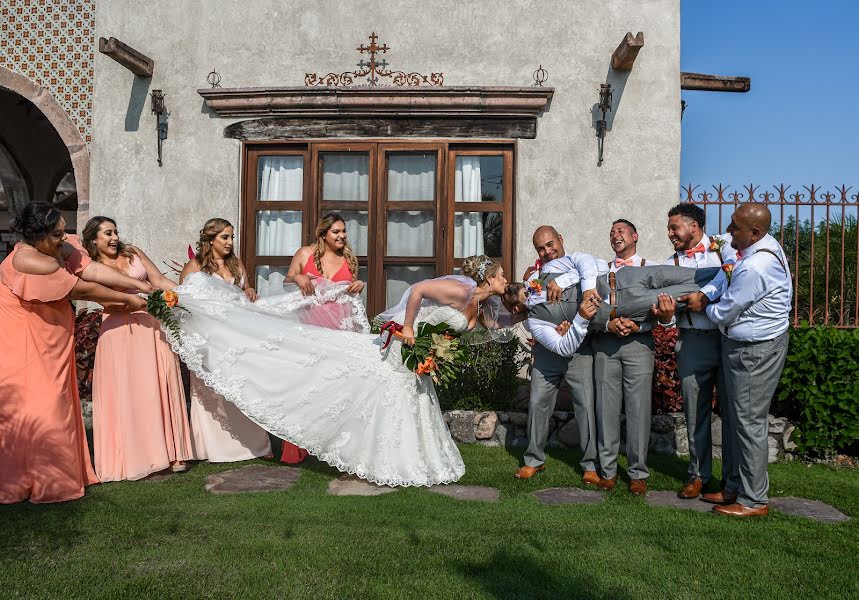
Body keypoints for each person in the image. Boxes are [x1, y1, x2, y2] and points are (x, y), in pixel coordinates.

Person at [167, 254, 511, 487]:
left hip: (420, 357)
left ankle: (410, 457)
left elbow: (495, 324)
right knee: (384, 392)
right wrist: (407, 328)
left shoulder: (479, 302)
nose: (506, 279)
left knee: (410, 400)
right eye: (502, 276)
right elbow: (418, 290)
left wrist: (526, 308)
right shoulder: (461, 289)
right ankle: (377, 456)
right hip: (403, 348)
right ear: (489, 277)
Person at [0, 203, 149, 503]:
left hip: (51, 335)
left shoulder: (56, 246)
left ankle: (60, 474)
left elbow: (92, 269)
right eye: (56, 233)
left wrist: (139, 286)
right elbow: (83, 290)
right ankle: (39, 482)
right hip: (25, 338)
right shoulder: (32, 262)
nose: (64, 237)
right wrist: (130, 301)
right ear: (37, 235)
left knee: (58, 400)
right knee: (42, 405)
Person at [686, 203, 792, 517]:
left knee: (748, 424)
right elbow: (727, 267)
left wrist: (701, 306)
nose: (728, 232)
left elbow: (727, 309)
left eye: (735, 227)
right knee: (735, 420)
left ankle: (753, 499)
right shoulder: (764, 246)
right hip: (751, 346)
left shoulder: (756, 266)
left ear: (755, 232)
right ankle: (734, 486)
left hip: (753, 351)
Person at [83, 216, 194, 481]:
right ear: (93, 240)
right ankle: (136, 456)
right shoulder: (91, 267)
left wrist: (182, 295)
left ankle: (171, 452)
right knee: (128, 391)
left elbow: (157, 280)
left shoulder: (133, 253)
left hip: (151, 328)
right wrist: (137, 303)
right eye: (107, 233)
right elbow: (105, 302)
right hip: (118, 331)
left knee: (157, 384)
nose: (114, 238)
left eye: (116, 232)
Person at [509, 226, 602, 483]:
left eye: (551, 244)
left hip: (579, 350)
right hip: (548, 350)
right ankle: (533, 460)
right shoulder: (533, 279)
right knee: (538, 402)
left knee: (585, 404)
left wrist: (572, 324)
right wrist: (554, 330)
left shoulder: (579, 264)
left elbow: (589, 267)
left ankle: (590, 465)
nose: (548, 251)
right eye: (541, 248)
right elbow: (532, 315)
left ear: (561, 240)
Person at [180, 218, 272, 462]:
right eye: (225, 237)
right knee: (213, 391)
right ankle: (214, 448)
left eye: (232, 237)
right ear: (210, 240)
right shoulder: (195, 267)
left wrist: (249, 290)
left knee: (241, 386)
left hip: (237, 336)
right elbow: (184, 305)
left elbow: (245, 291)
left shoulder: (235, 264)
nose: (230, 242)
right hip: (209, 338)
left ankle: (254, 445)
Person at [278, 213, 366, 464]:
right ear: (323, 234)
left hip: (339, 331)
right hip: (308, 329)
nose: (342, 236)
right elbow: (285, 284)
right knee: (305, 388)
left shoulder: (349, 259)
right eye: (336, 232)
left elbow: (349, 294)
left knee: (335, 389)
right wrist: (297, 277)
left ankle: (331, 446)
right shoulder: (305, 254)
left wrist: (359, 284)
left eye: (344, 231)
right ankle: (297, 448)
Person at [664, 203, 738, 500]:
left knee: (734, 413)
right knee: (695, 413)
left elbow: (736, 279)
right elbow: (666, 316)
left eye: (674, 228)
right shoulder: (670, 263)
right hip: (692, 339)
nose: (670, 234)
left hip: (728, 339)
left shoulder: (726, 249)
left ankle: (732, 480)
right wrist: (665, 314)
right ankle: (698, 475)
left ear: (693, 226)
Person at [590, 219, 669, 495]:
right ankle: (608, 470)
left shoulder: (651, 268)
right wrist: (607, 324)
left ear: (635, 235)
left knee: (638, 409)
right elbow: (589, 307)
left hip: (639, 344)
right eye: (611, 232)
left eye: (620, 230)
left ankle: (637, 473)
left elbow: (661, 310)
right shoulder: (600, 271)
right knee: (606, 409)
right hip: (606, 345)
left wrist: (640, 325)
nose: (615, 235)